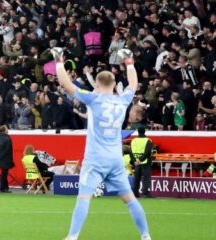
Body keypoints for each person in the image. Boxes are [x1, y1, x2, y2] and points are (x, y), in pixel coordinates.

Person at [54, 46, 151, 240]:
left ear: (97, 84)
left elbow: (66, 84)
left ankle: (72, 236)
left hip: (95, 159)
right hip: (115, 160)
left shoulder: (93, 99)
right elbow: (133, 83)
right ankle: (146, 235)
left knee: (83, 198)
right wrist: (129, 63)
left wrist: (59, 62)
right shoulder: (123, 100)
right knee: (130, 200)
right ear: (114, 84)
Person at [130, 127, 153, 198]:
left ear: (138, 132)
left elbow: (131, 152)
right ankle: (145, 193)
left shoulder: (133, 140)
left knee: (136, 178)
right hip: (145, 162)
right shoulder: (148, 141)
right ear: (144, 131)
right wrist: (141, 160)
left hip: (136, 163)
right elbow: (147, 152)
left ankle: (135, 193)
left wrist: (135, 160)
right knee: (146, 178)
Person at [0, 125, 13, 193]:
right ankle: (2, 188)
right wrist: (1, 156)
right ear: (4, 130)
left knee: (4, 173)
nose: (8, 129)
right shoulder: (7, 138)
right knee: (4, 174)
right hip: (6, 158)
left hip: (0, 159)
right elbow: (7, 149)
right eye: (7, 128)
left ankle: (6, 187)